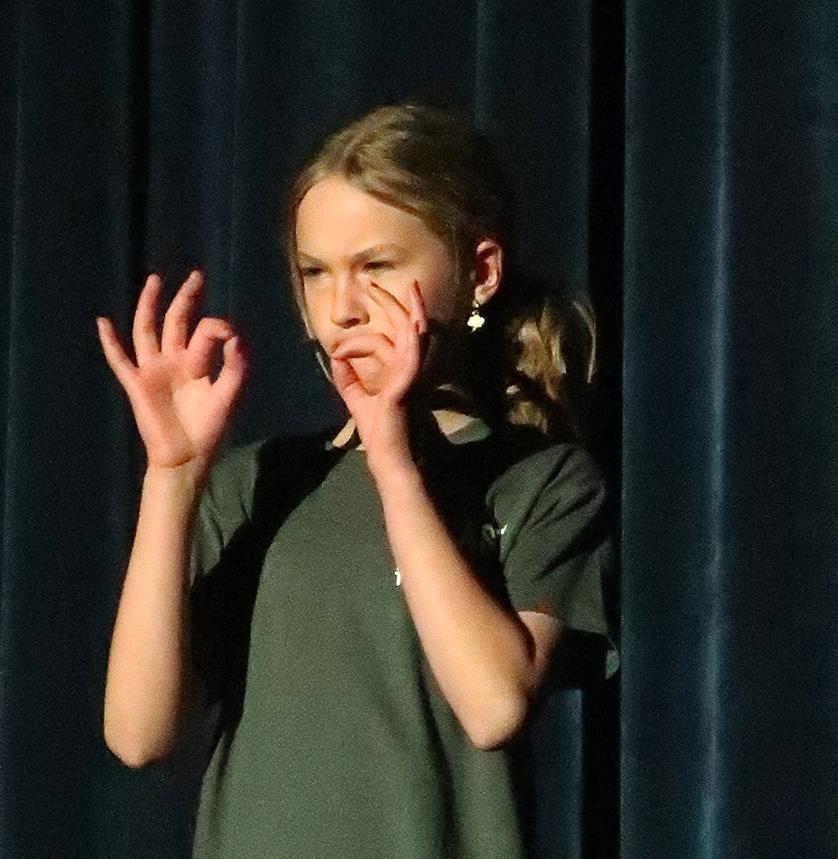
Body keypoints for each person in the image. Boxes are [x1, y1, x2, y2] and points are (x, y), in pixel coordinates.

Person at [99, 102, 618, 858]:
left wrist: (394, 463)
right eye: (316, 273)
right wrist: (171, 479)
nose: (342, 309)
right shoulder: (260, 484)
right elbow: (138, 733)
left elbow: (493, 706)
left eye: (377, 267)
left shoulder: (539, 482)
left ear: (479, 272)